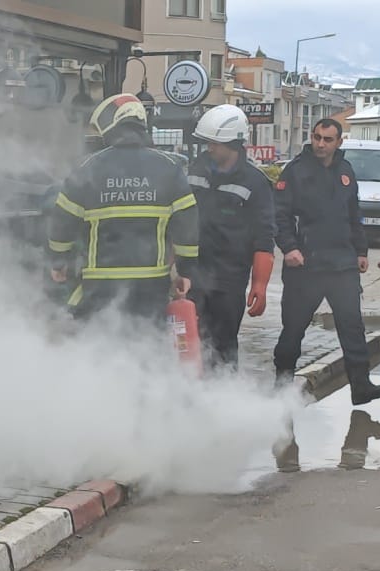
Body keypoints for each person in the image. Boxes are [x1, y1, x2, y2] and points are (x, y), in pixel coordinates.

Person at [46, 93, 199, 334]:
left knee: (100, 349)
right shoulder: (169, 168)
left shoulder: (87, 168)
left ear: (111, 127)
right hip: (152, 284)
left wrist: (58, 262)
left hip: (100, 284)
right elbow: (188, 229)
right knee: (146, 348)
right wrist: (185, 271)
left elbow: (62, 223)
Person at [273, 118, 380, 405]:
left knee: (352, 326)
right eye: (317, 137)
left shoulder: (346, 172)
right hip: (305, 266)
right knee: (294, 329)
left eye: (327, 139)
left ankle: (361, 385)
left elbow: (354, 216)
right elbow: (279, 216)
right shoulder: (296, 171)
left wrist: (361, 252)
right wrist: (289, 248)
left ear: (339, 142)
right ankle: (282, 384)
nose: (321, 144)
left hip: (342, 264)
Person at [186, 104, 276, 370]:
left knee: (223, 345)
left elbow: (264, 236)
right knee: (189, 343)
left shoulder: (255, 183)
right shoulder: (194, 172)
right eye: (207, 143)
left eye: (216, 143)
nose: (210, 148)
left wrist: (259, 285)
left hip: (229, 279)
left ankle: (223, 400)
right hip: (192, 273)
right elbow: (177, 219)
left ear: (234, 144)